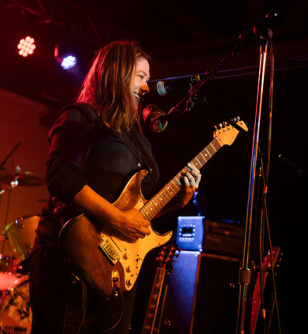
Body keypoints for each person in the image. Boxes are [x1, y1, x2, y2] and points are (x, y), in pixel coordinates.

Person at [29, 40, 202, 333]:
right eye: (140, 76)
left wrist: (178, 202)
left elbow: (138, 214)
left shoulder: (139, 140)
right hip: (68, 260)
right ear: (116, 73)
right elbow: (60, 176)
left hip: (118, 272)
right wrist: (118, 218)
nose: (146, 88)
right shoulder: (81, 116)